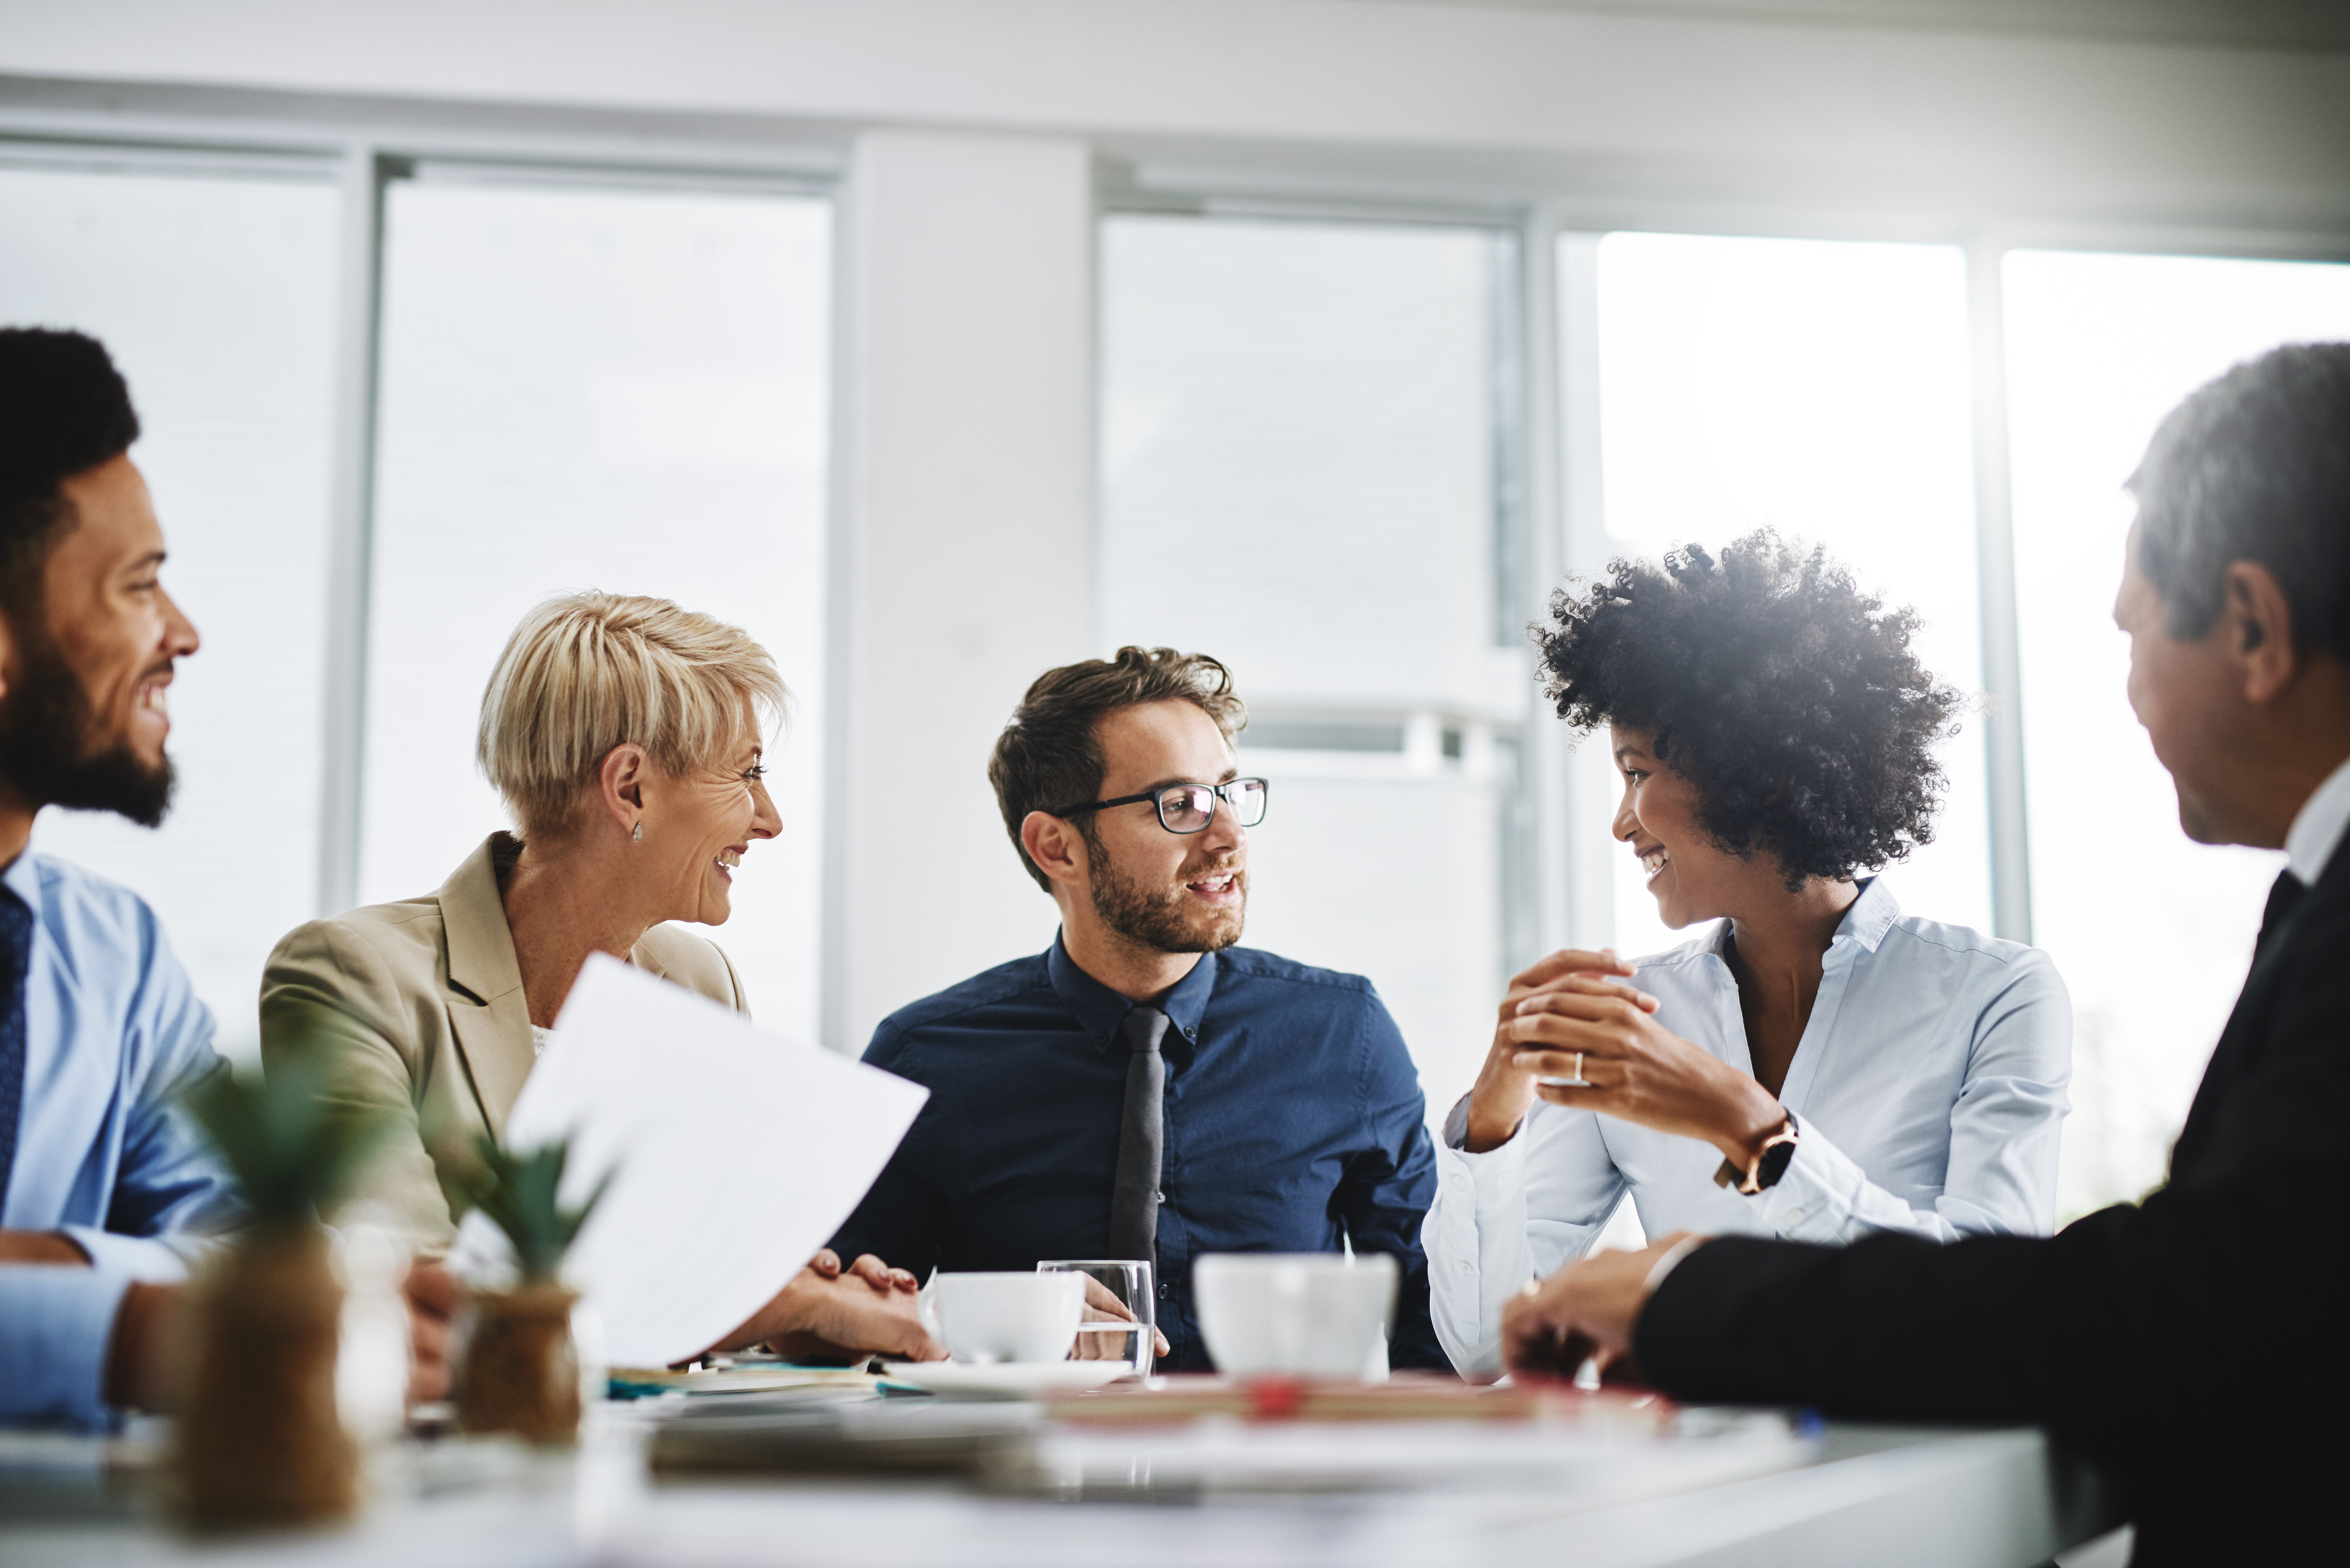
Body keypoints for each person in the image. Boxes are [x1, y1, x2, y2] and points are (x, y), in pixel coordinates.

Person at [1500, 344, 2350, 1566]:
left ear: (2254, 627)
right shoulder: (2312, 901)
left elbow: (2184, 1306)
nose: (2126, 691)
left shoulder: (1997, 987)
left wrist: (1697, 1284)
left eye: (2131, 634)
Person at [1424, 533, 2071, 1374]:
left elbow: (1991, 1313)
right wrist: (1495, 1110)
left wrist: (1750, 1127)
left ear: (1750, 775)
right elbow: (1485, 1348)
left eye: (1635, 771)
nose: (1620, 821)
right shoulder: (1633, 1019)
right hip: (1701, 1489)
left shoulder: (1996, 995)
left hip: (1907, 1487)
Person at [262, 592, 941, 1364]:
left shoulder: (698, 981)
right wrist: (767, 1301)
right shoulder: (351, 976)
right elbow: (422, 1306)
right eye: (746, 775)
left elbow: (701, 1299)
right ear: (628, 788)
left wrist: (802, 1321)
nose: (769, 817)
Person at [0, 328, 461, 1426]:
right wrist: (123, 1320)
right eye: (138, 585)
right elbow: (206, 1305)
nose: (184, 633)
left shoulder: (112, 954)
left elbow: (244, 1246)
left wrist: (47, 1264)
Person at [830, 647, 1445, 1373]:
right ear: (1055, 846)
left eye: (1228, 794)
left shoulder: (1344, 1034)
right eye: (1178, 804)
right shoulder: (925, 1056)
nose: (1227, 839)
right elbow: (838, 1316)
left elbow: (1434, 1316)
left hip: (1272, 1476)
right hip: (1016, 1475)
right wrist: (971, 1318)